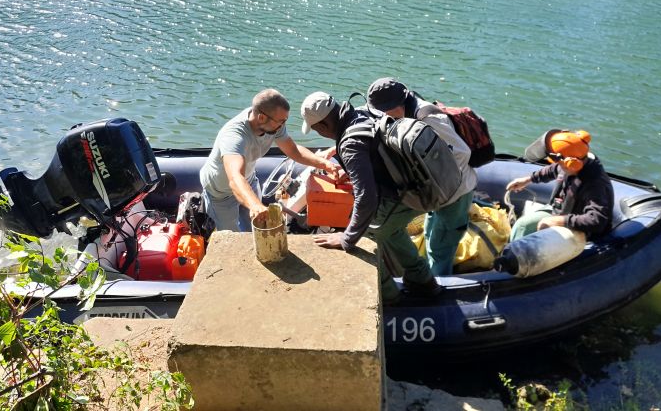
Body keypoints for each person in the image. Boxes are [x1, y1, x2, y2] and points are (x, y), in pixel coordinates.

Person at [300, 91, 441, 305]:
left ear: (324, 125)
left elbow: (366, 199)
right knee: (390, 230)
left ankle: (389, 298)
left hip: (397, 198)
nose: (319, 133)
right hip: (416, 190)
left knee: (364, 239)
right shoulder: (361, 114)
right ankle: (423, 281)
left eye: (317, 129)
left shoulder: (350, 144)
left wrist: (347, 239)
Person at [366, 78, 477, 276]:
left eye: (384, 110)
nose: (382, 115)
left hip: (456, 191)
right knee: (430, 233)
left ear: (396, 105)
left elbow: (462, 153)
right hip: (436, 192)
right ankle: (430, 274)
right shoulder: (404, 110)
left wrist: (431, 175)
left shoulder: (430, 118)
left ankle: (438, 287)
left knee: (441, 247)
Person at [199, 88, 340, 232]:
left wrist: (325, 164)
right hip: (220, 193)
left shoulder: (273, 124)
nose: (282, 126)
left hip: (249, 180)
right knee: (231, 236)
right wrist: (255, 205)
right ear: (261, 117)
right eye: (280, 121)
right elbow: (235, 178)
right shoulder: (234, 137)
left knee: (254, 229)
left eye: (285, 121)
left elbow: (293, 150)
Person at [505, 129, 614, 241]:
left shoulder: (595, 183)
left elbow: (597, 220)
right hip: (560, 212)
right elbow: (553, 169)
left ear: (572, 164)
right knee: (522, 225)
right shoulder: (572, 162)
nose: (558, 166)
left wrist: (560, 221)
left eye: (560, 164)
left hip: (581, 230)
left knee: (543, 238)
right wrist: (528, 179)